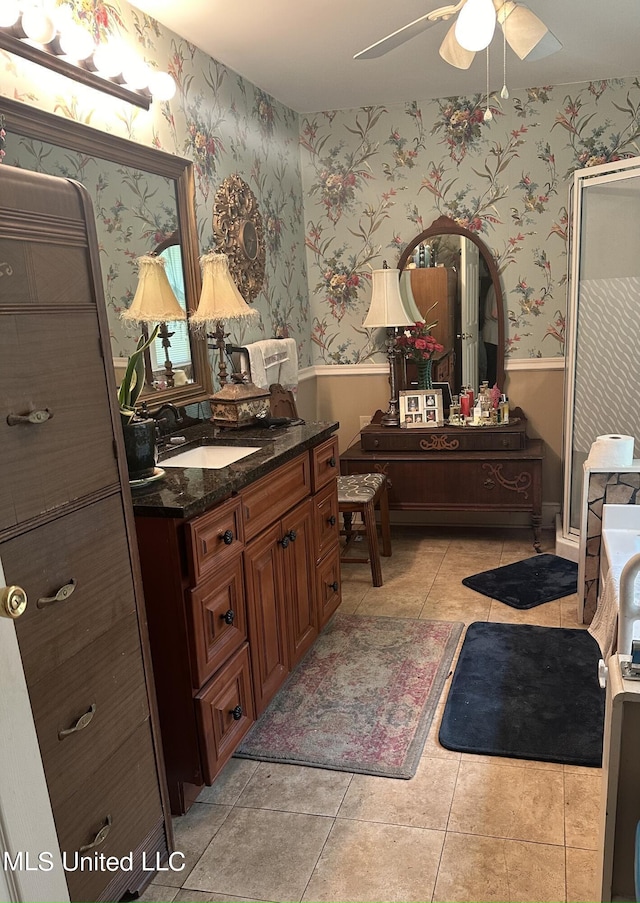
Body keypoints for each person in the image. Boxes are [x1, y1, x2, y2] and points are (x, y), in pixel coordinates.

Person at [483, 284, 499, 387]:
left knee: (492, 367)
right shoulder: (495, 288)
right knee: (493, 368)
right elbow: (495, 313)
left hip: (490, 333)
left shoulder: (492, 287)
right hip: (492, 334)